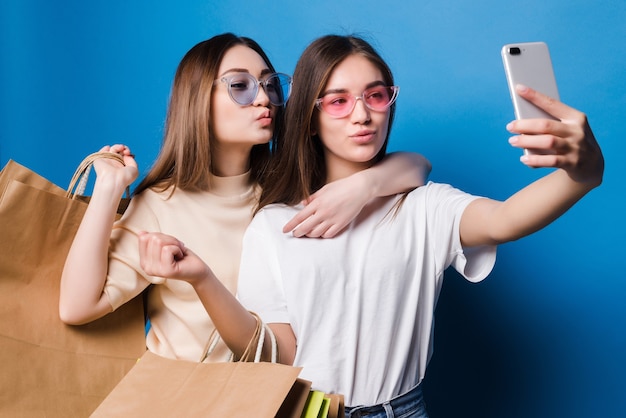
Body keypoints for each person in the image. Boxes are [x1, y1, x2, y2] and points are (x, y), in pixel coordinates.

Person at [136, 34, 603, 416]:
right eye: (337, 101)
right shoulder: (274, 224)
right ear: (311, 118)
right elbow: (277, 352)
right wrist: (200, 278)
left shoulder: (422, 208)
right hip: (307, 411)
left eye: (375, 95)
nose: (362, 114)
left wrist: (584, 173)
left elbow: (505, 219)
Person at [59, 33, 431, 363]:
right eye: (240, 86)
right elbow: (77, 306)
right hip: (184, 401)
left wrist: (363, 186)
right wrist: (108, 191)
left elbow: (418, 166)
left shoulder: (289, 189)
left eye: (270, 85)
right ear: (198, 99)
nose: (263, 99)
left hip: (271, 397)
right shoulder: (161, 205)